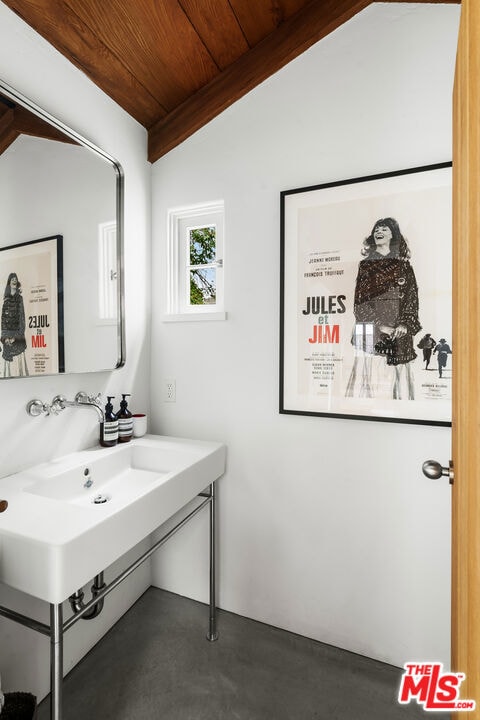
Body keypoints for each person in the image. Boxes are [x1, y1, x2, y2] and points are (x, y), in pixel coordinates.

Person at [346, 217, 421, 400]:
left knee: (398, 385)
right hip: (370, 335)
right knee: (369, 382)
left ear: (393, 235)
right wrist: (380, 326)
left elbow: (412, 298)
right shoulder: (365, 266)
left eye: (384, 229)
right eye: (376, 229)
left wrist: (404, 324)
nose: (379, 231)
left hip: (399, 335)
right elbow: (359, 303)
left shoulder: (405, 266)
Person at [1, 272, 28, 376]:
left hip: (18, 338)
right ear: (9, 283)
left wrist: (16, 338)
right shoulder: (6, 301)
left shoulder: (19, 298)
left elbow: (22, 319)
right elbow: (3, 322)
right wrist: (5, 338)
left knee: (19, 370)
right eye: (12, 279)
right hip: (7, 338)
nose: (14, 280)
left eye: (15, 279)